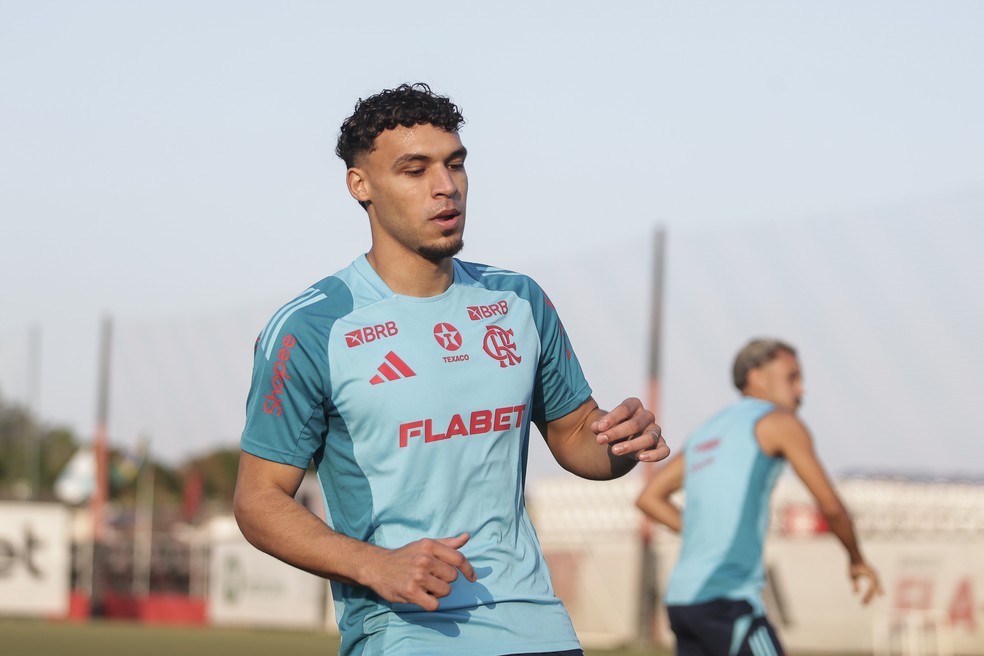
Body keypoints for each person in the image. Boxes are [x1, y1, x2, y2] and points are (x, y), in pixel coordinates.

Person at [233, 82, 670, 656]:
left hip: (537, 623)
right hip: (404, 631)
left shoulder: (518, 300)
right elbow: (258, 500)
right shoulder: (312, 327)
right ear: (360, 185)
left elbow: (574, 435)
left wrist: (620, 442)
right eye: (415, 171)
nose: (446, 186)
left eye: (455, 164)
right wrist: (375, 564)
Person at [636, 338, 882, 656]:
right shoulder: (780, 423)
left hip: (683, 601)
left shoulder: (707, 431)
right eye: (792, 377)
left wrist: (705, 533)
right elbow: (831, 507)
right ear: (757, 377)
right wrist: (857, 559)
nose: (801, 390)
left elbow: (649, 497)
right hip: (726, 598)